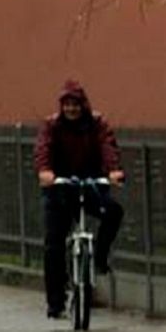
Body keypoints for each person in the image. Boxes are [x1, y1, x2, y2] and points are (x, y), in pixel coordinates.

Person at [32, 79, 125, 319]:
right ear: (62, 107)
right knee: (54, 244)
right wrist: (46, 172)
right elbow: (43, 149)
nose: (71, 109)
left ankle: (100, 257)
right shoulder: (52, 125)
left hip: (90, 185)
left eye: (75, 104)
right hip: (60, 189)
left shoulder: (97, 124)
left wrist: (113, 170)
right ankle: (55, 303)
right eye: (67, 105)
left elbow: (108, 147)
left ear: (83, 105)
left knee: (113, 212)